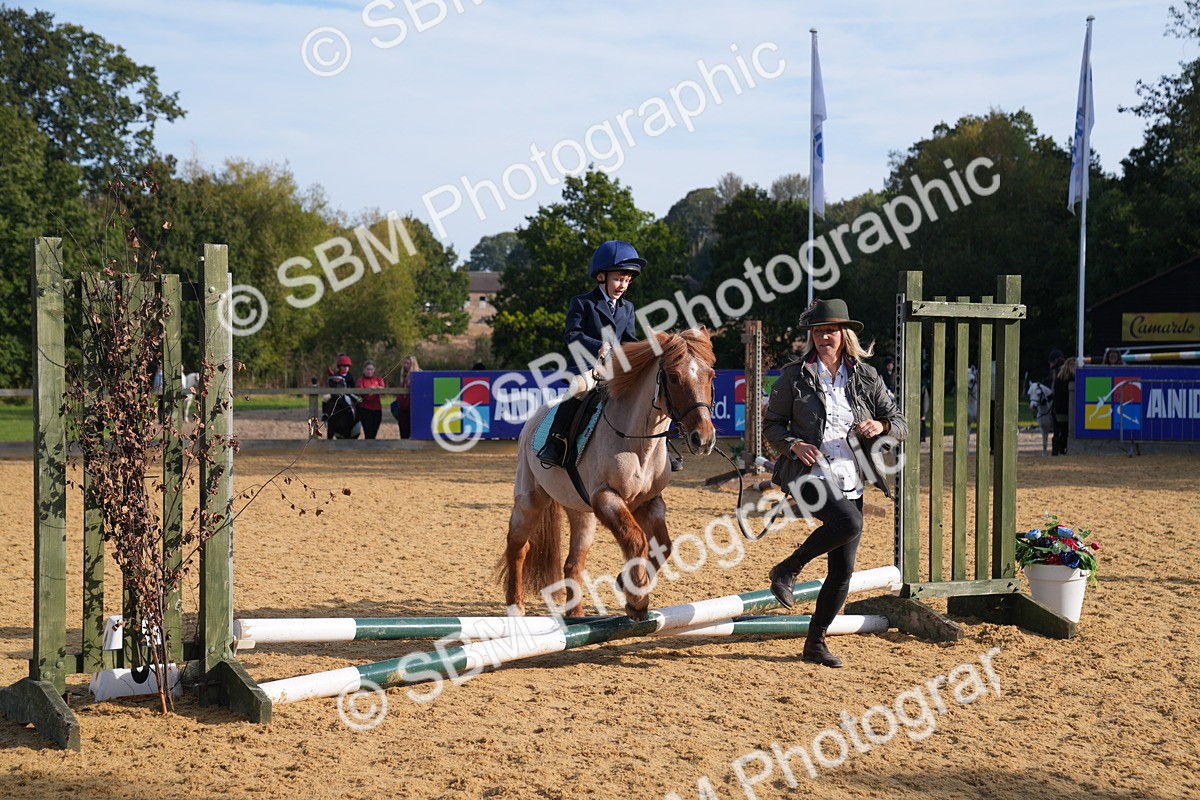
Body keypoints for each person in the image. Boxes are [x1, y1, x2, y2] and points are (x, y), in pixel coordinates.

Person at [763, 298, 907, 668]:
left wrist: (882, 426)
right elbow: (771, 427)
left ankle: (815, 642)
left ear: (844, 334)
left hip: (850, 473)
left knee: (843, 569)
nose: (824, 336)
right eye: (818, 330)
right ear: (811, 335)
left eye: (831, 330)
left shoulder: (865, 375)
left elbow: (900, 421)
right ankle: (788, 568)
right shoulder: (794, 376)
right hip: (807, 472)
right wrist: (793, 444)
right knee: (851, 522)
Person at [538, 240, 683, 470]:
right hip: (587, 366)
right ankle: (556, 442)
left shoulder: (628, 308)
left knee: (648, 395)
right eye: (618, 279)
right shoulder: (583, 303)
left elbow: (630, 342)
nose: (622, 285)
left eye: (627, 281)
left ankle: (663, 449)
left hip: (616, 368)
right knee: (578, 388)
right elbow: (572, 334)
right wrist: (598, 345)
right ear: (601, 277)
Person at [1051, 356, 1076, 456]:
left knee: (1060, 430)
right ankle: (1061, 449)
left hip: (1059, 409)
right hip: (1065, 409)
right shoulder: (1071, 379)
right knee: (1064, 431)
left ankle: (1057, 450)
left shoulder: (1058, 379)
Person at [389, 355, 419, 439]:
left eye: (408, 363)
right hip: (402, 408)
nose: (405, 365)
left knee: (412, 432)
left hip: (413, 409)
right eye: (404, 363)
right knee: (403, 432)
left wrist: (412, 384)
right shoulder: (403, 376)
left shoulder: (419, 375)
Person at [357, 360, 386, 439]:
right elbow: (360, 392)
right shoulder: (361, 380)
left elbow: (384, 390)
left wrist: (379, 389)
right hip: (365, 409)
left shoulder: (378, 380)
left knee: (374, 430)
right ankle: (368, 448)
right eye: (368, 369)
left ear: (374, 370)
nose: (369, 371)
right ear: (364, 370)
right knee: (368, 431)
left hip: (377, 409)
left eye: (371, 369)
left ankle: (372, 447)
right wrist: (368, 389)